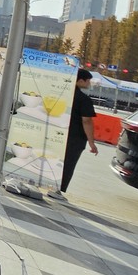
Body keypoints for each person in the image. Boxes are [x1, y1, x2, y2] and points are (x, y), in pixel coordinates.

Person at [51, 68, 99, 201]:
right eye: (88, 81)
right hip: (75, 137)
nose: (89, 84)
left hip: (57, 132)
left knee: (52, 160)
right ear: (80, 81)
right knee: (68, 164)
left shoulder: (61, 94)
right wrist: (91, 142)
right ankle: (57, 190)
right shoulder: (84, 100)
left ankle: (44, 183)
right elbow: (87, 121)